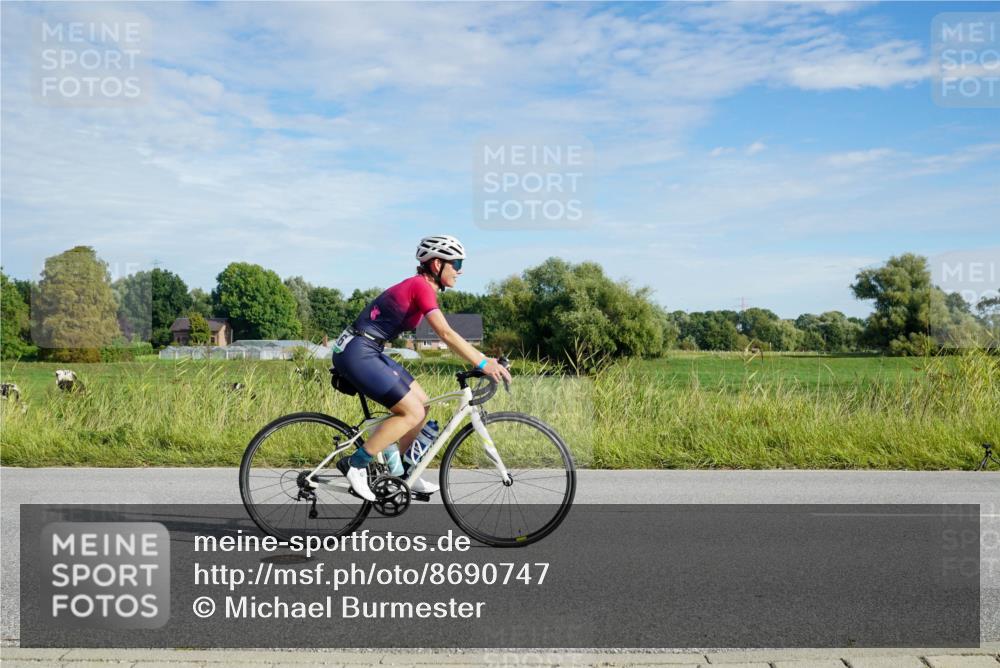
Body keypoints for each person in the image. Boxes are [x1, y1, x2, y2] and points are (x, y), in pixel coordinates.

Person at [331, 234, 513, 501]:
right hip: (357, 352)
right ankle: (355, 464)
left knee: (424, 404)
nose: (460, 270)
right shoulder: (420, 286)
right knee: (411, 411)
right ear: (437, 264)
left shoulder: (421, 287)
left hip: (369, 349)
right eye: (457, 262)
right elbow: (445, 333)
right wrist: (484, 363)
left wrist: (483, 360)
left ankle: (404, 472)